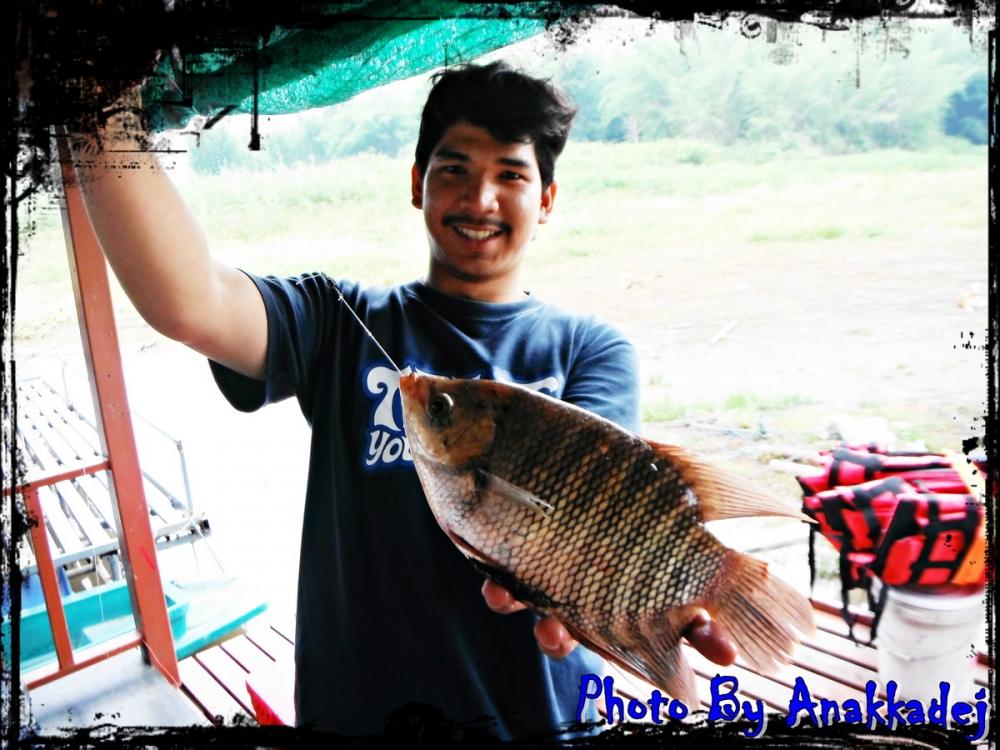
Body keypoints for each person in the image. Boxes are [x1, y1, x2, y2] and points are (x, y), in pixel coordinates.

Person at [76, 60, 735, 739]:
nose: (481, 199)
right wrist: (96, 97)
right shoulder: (336, 320)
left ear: (546, 200)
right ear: (417, 184)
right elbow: (189, 301)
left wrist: (648, 596)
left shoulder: (589, 350)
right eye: (455, 170)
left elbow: (615, 509)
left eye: (511, 175)